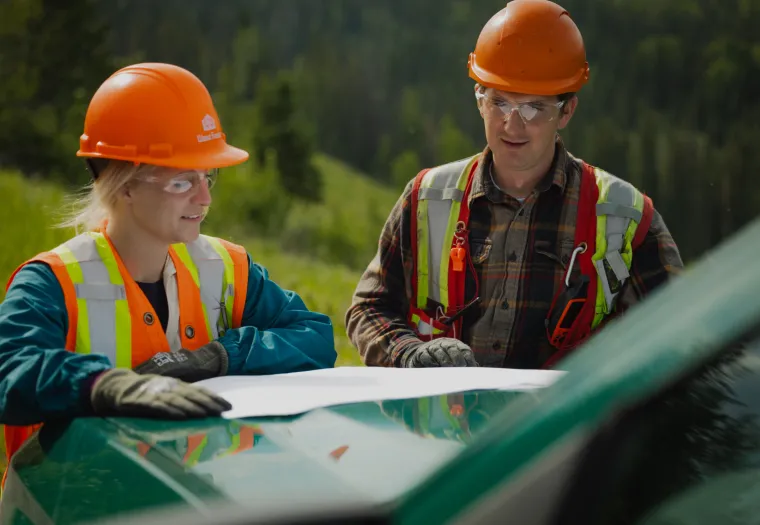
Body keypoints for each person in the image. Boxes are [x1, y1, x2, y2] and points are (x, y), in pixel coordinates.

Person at [0, 62, 337, 478]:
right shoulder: (51, 284)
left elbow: (315, 337)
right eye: (182, 182)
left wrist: (215, 358)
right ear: (123, 183)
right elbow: (10, 370)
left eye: (207, 177)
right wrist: (105, 386)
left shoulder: (226, 268)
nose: (203, 198)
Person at [346, 0, 683, 369]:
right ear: (479, 101)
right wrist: (408, 354)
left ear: (567, 111)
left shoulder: (628, 219)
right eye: (499, 102)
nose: (511, 124)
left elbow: (681, 338)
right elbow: (369, 307)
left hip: (567, 426)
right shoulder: (427, 198)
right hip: (442, 425)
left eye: (533, 108)